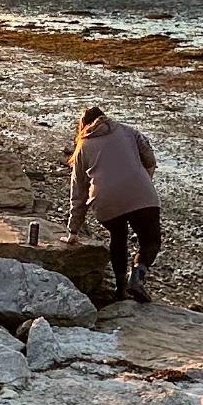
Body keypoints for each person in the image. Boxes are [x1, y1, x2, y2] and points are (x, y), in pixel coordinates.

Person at [66, 105, 162, 302]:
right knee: (150, 240)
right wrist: (143, 182)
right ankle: (137, 276)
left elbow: (79, 192)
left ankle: (120, 289)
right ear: (105, 117)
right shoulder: (128, 131)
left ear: (82, 125)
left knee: (118, 236)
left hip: (105, 202)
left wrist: (73, 231)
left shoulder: (82, 147)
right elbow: (150, 160)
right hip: (141, 194)